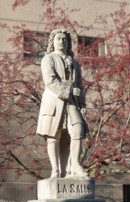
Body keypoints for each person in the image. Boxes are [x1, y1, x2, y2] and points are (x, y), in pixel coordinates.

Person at [37, 29, 88, 178]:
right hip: (54, 101)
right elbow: (50, 81)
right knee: (54, 135)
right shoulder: (48, 59)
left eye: (64, 39)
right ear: (53, 42)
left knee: (77, 130)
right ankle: (56, 170)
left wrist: (82, 103)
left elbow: (80, 85)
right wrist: (69, 91)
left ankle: (76, 166)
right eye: (58, 39)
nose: (61, 41)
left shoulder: (75, 63)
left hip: (72, 103)